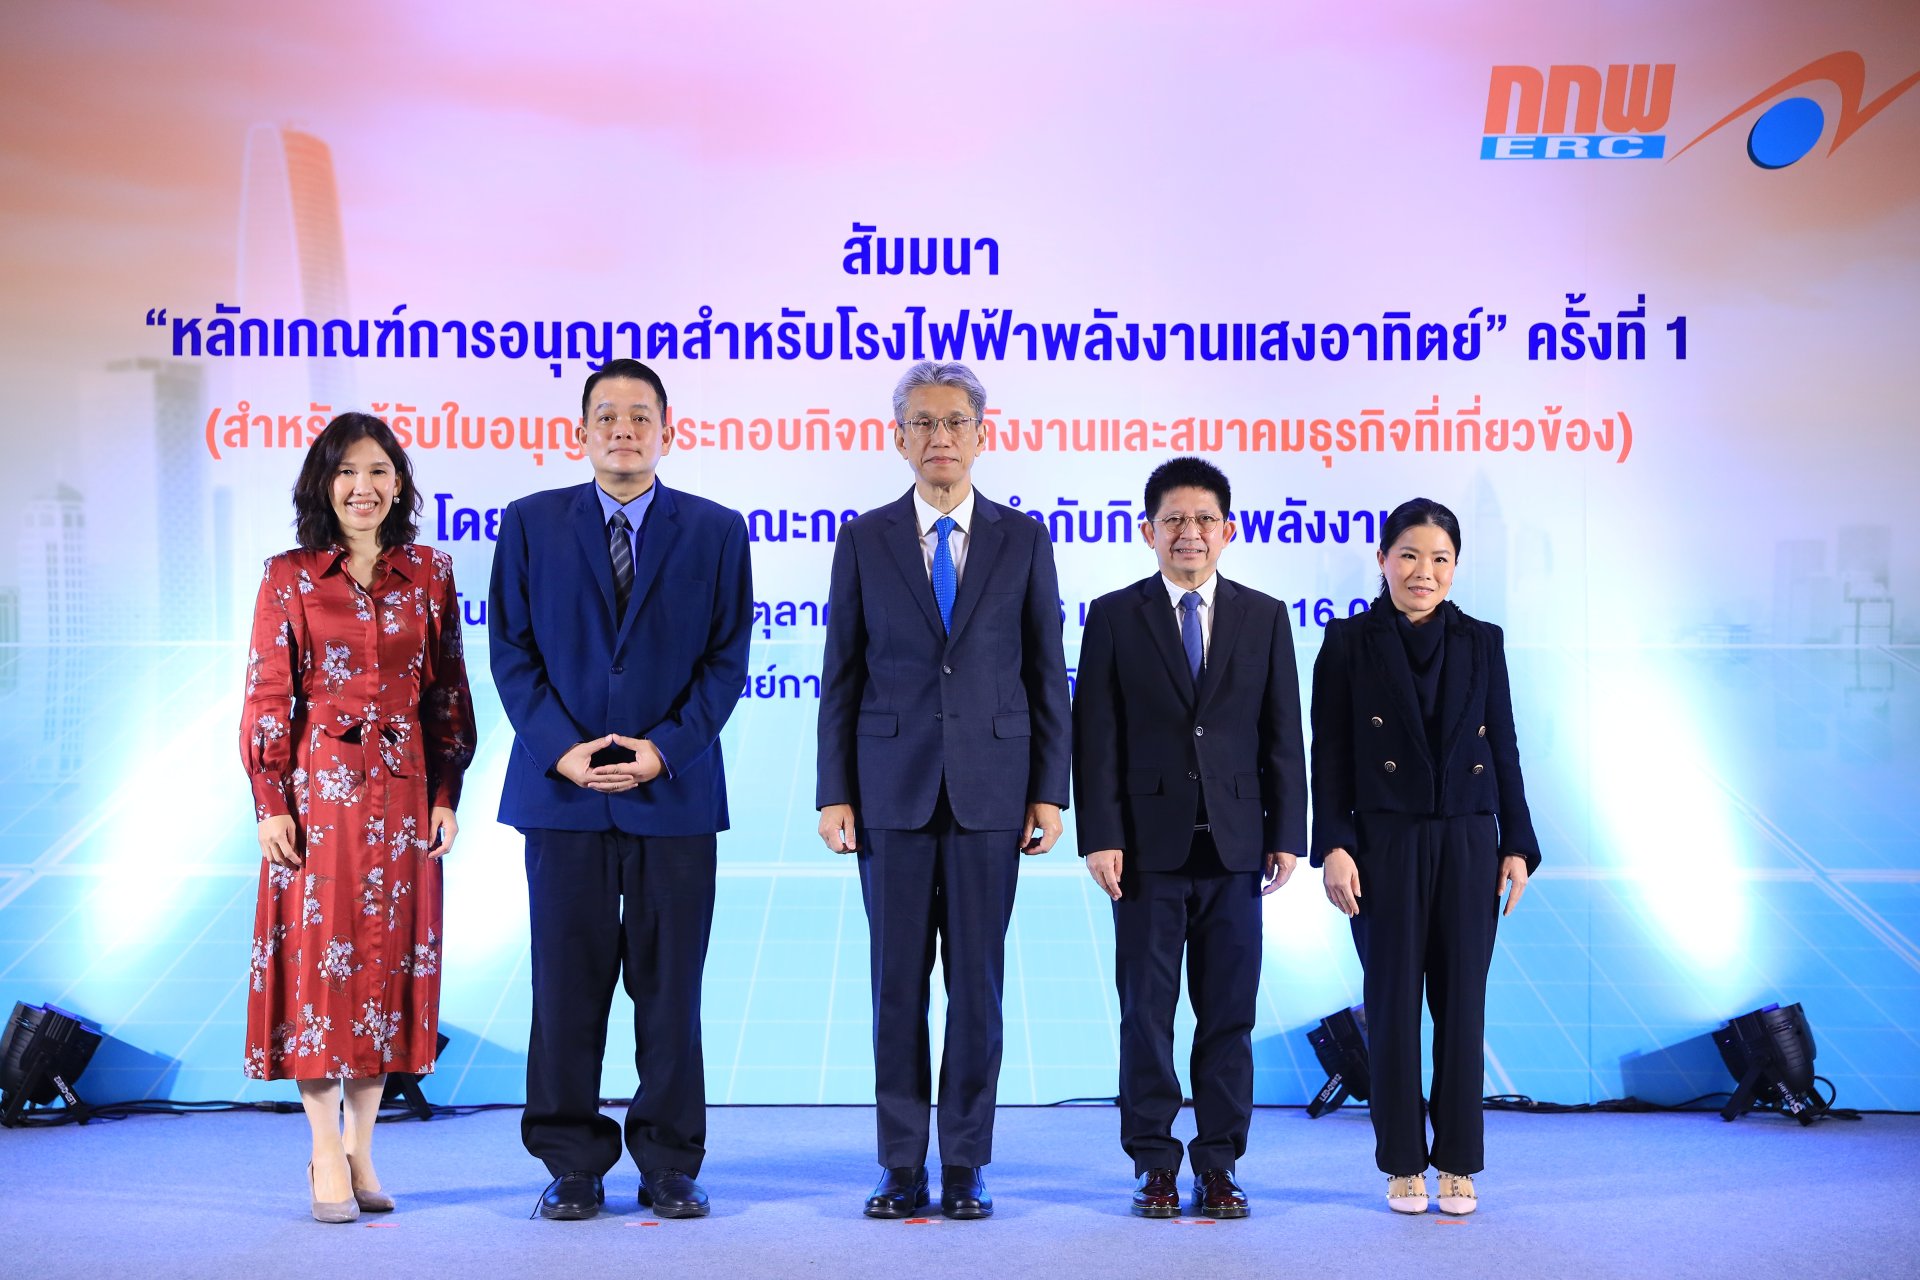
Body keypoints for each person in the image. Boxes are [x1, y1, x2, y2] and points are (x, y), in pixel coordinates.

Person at [489, 358, 752, 1222]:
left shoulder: (716, 531)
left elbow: (725, 663)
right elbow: (511, 653)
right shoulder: (529, 524)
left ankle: (669, 1161)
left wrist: (663, 751)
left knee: (670, 990)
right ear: (581, 432)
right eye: (606, 416)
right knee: (566, 986)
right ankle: (570, 1161)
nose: (623, 430)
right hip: (562, 795)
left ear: (667, 431)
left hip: (672, 796)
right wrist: (562, 751)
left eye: (641, 416)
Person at [816, 361, 1071, 1220]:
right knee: (897, 990)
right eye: (922, 423)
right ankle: (900, 1164)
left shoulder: (1023, 539)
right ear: (898, 439)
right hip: (888, 793)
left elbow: (1045, 674)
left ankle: (964, 1163)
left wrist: (1049, 791)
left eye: (955, 422)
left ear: (981, 435)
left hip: (992, 794)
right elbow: (841, 675)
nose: (939, 438)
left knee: (977, 990)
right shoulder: (864, 539)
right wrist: (833, 791)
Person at [240, 412, 475, 1224]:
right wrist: (271, 802)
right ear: (323, 484)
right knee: (322, 975)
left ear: (399, 483)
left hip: (404, 796)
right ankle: (321, 1149)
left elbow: (448, 693)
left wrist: (446, 794)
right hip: (320, 797)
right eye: (346, 472)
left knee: (384, 971)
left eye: (377, 471)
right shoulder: (290, 576)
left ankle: (362, 1148)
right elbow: (268, 694)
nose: (362, 487)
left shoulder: (431, 571)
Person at [1072, 456, 1306, 1220]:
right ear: (1148, 531)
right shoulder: (1114, 615)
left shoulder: (1264, 615)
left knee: (1228, 1016)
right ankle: (1153, 1163)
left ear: (1228, 530)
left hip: (1236, 850)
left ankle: (1219, 1163)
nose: (1190, 532)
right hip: (1145, 853)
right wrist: (1101, 834)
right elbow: (1095, 738)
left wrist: (1287, 832)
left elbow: (1281, 734)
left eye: (1204, 519)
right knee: (1146, 1016)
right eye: (1173, 519)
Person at [1309, 497, 1539, 1216]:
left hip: (1469, 839)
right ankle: (1403, 1163)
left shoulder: (1483, 641)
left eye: (1439, 558)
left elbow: (1504, 748)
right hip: (1384, 843)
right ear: (1382, 560)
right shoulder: (1348, 641)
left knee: (1463, 1007)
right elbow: (1331, 754)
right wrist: (1334, 845)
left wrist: (1517, 844)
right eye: (1408, 555)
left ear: (1456, 567)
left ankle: (1459, 1163)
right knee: (1392, 1007)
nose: (1423, 571)